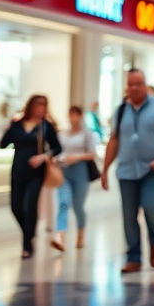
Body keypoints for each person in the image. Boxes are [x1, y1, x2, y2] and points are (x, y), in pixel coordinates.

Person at [101, 70, 154, 274]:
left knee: (150, 208)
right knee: (129, 216)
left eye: (139, 83)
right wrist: (104, 169)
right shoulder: (120, 110)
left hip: (150, 169)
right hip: (126, 171)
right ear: (126, 86)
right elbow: (114, 140)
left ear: (145, 84)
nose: (135, 87)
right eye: (131, 83)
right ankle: (133, 257)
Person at [0, 94, 62, 259]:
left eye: (44, 105)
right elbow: (3, 144)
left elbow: (57, 148)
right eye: (38, 105)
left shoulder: (46, 126)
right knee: (16, 207)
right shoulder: (17, 125)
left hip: (36, 173)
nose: (41, 109)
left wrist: (43, 157)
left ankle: (27, 245)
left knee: (30, 205)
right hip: (18, 170)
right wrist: (8, 126)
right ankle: (29, 232)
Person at [52, 105, 97, 251]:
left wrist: (76, 157)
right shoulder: (63, 134)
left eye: (76, 115)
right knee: (63, 202)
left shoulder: (87, 133)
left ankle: (81, 233)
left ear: (81, 116)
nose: (73, 118)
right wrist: (60, 159)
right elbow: (57, 151)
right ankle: (60, 234)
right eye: (70, 115)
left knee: (78, 206)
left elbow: (92, 154)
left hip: (80, 171)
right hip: (64, 170)